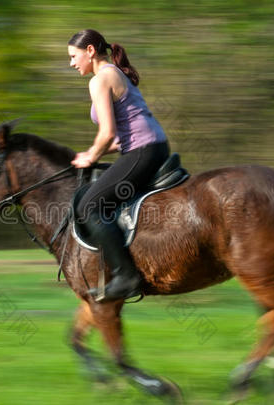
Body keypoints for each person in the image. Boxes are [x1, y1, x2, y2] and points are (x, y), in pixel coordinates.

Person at [68, 29, 170, 302]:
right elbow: (120, 134)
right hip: (148, 148)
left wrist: (91, 155)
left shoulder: (100, 79)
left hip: (143, 151)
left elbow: (108, 133)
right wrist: (93, 152)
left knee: (88, 206)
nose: (71, 63)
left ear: (90, 51)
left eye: (73, 56)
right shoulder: (113, 73)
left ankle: (126, 277)